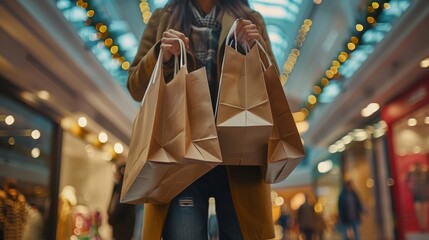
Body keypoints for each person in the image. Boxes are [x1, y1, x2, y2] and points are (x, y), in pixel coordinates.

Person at [127, 0, 277, 239]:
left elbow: (272, 88)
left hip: (239, 158)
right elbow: (136, 87)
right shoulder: (164, 17)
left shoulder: (250, 19)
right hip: (182, 157)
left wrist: (254, 49)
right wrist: (160, 55)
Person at [108, 164, 136, 240]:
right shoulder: (118, 187)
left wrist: (111, 219)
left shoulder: (125, 189)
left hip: (124, 228)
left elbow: (120, 208)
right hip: (119, 227)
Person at [405, 161, 429, 233]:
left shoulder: (425, 172)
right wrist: (410, 187)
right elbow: (407, 180)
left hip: (423, 194)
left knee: (424, 212)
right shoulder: (412, 172)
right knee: (419, 211)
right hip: (416, 194)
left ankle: (424, 227)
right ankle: (422, 227)